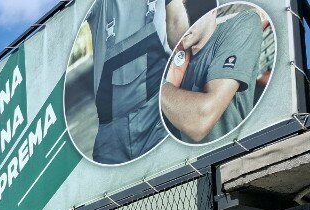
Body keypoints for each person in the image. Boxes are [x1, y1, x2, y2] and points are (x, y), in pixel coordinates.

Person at [86, 0, 208, 163]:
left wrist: (191, 72)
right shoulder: (98, 5)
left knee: (175, 171)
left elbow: (176, 21)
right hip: (112, 135)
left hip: (157, 116)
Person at [160, 6, 263, 144]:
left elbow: (201, 121)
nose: (182, 23)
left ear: (212, 10)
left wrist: (157, 86)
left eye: (188, 8)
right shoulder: (176, 65)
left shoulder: (243, 23)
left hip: (235, 152)